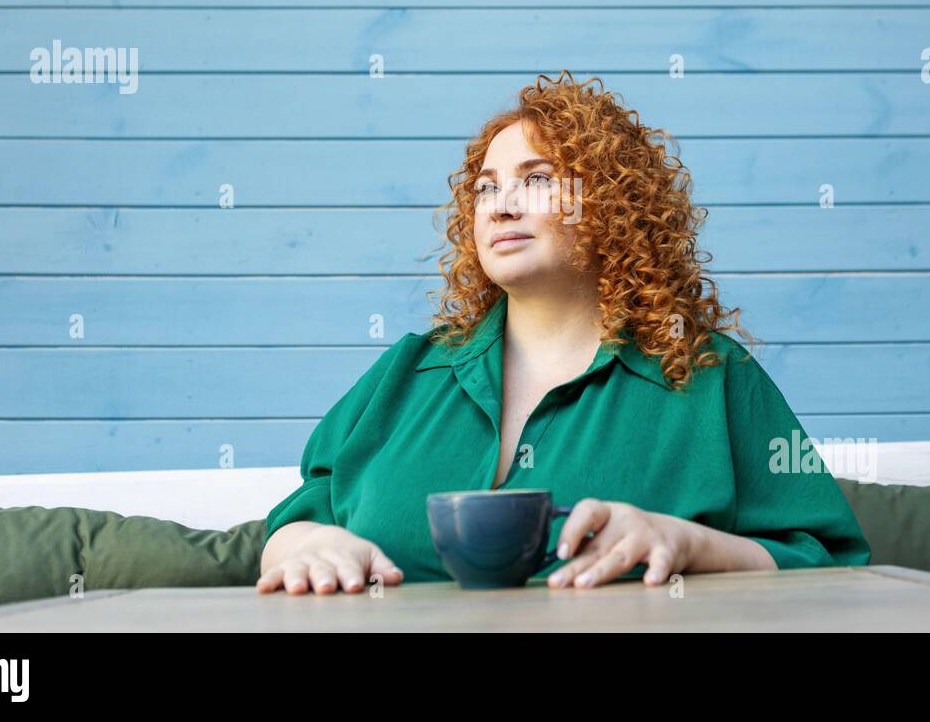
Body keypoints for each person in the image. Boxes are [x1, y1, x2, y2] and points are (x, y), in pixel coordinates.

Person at [257, 71, 870, 595]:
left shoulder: (710, 376)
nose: (499, 205)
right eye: (486, 188)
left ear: (608, 202)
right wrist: (308, 548)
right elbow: (295, 522)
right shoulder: (406, 373)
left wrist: (689, 544)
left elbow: (831, 564)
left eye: (537, 178)